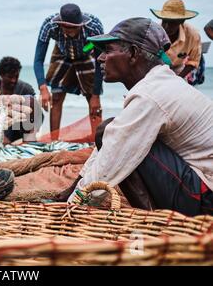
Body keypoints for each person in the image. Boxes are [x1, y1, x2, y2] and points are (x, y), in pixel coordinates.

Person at [61, 17, 213, 216]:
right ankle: (150, 216)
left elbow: (113, 158)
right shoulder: (157, 84)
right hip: (199, 188)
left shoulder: (150, 96)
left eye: (108, 51)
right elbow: (109, 144)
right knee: (113, 131)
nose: (100, 58)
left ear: (133, 53)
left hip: (205, 198)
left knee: (122, 141)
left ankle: (150, 220)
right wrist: (71, 190)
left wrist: (72, 208)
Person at [34, 3, 104, 139]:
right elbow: (38, 60)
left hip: (87, 49)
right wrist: (42, 87)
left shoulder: (94, 27)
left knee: (93, 99)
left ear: (81, 24)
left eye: (74, 28)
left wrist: (96, 95)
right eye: (66, 28)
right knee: (57, 96)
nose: (70, 31)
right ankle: (54, 141)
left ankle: (98, 141)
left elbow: (100, 60)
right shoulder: (49, 25)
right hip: (62, 51)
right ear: (60, 24)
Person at [0, 56, 42, 143]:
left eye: (16, 76)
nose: (13, 80)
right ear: (1, 74)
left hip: (21, 124)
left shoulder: (26, 89)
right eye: (10, 77)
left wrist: (30, 133)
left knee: (31, 101)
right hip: (2, 125)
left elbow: (37, 113)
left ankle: (29, 139)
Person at [150, 0, 202, 83]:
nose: (166, 26)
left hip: (178, 69)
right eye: (164, 21)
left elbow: (193, 61)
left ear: (181, 21)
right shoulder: (154, 33)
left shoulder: (193, 35)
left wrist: (177, 79)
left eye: (171, 23)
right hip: (156, 68)